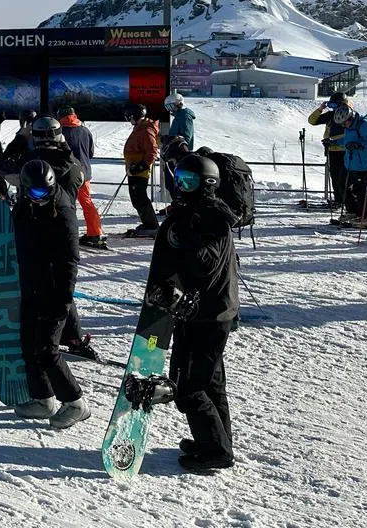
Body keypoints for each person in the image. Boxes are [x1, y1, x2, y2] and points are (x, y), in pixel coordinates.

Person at [147, 152, 239, 472]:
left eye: (189, 182)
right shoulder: (197, 212)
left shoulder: (210, 218)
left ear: (208, 184)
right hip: (208, 311)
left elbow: (205, 262)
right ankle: (214, 441)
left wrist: (182, 234)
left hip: (207, 317)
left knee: (189, 387)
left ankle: (215, 451)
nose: (182, 187)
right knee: (211, 384)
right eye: (179, 180)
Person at [8, 160, 91, 428]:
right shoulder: (24, 207)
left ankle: (76, 402)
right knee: (28, 345)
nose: (40, 198)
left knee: (46, 349)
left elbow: (70, 261)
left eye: (45, 192)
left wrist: (64, 298)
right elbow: (13, 241)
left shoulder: (62, 213)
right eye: (35, 193)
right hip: (31, 285)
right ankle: (42, 399)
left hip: (54, 291)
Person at [57, 107, 103, 247]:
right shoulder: (85, 130)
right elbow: (90, 153)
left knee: (66, 204)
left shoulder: (61, 132)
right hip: (85, 173)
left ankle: (67, 232)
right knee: (87, 202)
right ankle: (95, 233)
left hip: (68, 174)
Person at [331, 104, 367, 228]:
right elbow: (348, 140)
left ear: (351, 117)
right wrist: (335, 142)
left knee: (360, 190)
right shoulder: (349, 126)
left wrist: (359, 145)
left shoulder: (364, 125)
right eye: (341, 124)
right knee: (342, 185)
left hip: (363, 163)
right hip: (351, 162)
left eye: (344, 122)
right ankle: (353, 211)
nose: (343, 125)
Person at [123, 103, 160, 235]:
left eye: (130, 118)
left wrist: (140, 167)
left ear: (135, 116)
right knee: (136, 198)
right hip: (133, 169)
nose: (129, 121)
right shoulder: (140, 128)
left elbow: (152, 152)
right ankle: (148, 223)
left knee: (140, 198)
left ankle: (152, 226)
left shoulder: (146, 130)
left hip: (139, 171)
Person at [308, 93, 349, 209]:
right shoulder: (331, 115)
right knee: (335, 176)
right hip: (332, 150)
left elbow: (349, 134)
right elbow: (312, 121)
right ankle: (338, 200)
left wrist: (333, 141)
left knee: (343, 177)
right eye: (332, 105)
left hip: (345, 151)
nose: (333, 108)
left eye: (335, 105)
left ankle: (345, 200)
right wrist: (320, 109)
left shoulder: (348, 115)